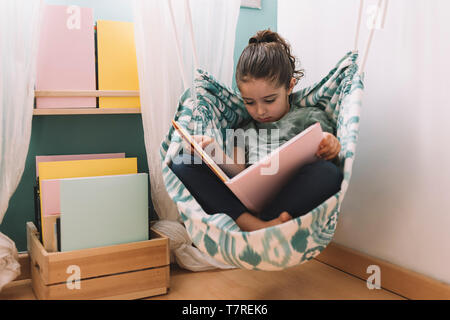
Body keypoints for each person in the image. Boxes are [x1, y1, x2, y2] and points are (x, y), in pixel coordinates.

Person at [169, 29, 343, 232]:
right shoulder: (244, 130)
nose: (260, 111)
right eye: (249, 102)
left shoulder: (310, 117)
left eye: (269, 100)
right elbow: (238, 175)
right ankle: (253, 225)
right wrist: (213, 152)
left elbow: (328, 151)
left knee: (329, 173)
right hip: (245, 206)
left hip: (287, 199)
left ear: (289, 86)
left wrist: (330, 143)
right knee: (182, 162)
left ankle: (267, 221)